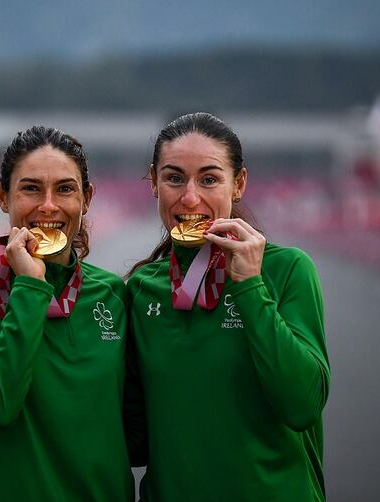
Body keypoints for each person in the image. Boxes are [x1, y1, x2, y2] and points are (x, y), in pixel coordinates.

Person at [125, 112, 330, 501]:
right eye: (173, 178)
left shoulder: (286, 270)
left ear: (238, 184)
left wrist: (251, 287)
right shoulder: (140, 290)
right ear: (153, 182)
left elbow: (302, 405)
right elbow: (132, 437)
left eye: (209, 179)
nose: (190, 197)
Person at [0, 126, 138, 501]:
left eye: (65, 189)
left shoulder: (112, 293)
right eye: (30, 188)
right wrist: (30, 286)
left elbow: (139, 424)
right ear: (2, 195)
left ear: (87, 198)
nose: (48, 206)